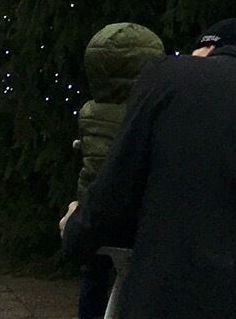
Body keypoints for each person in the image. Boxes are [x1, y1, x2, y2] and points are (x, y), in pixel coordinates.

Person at [62, 16, 236, 319]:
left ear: (209, 47)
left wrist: (76, 231)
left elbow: (117, 186)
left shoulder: (167, 75)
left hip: (167, 298)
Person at [73, 22, 164, 319]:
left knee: (92, 276)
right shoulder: (150, 114)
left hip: (95, 216)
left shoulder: (90, 112)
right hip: (137, 220)